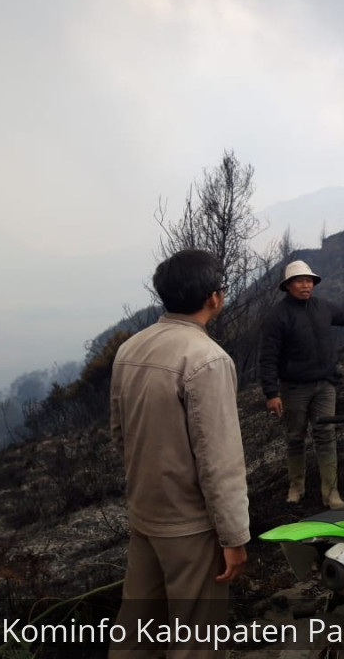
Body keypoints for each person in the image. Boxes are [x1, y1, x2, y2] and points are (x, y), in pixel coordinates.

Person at [109, 249, 250, 659]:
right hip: (190, 525)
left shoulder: (130, 348)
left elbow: (120, 435)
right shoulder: (207, 359)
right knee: (195, 642)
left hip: (145, 515)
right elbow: (219, 461)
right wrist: (235, 537)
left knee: (135, 630)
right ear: (214, 297)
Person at [258, 260, 344, 508]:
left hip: (325, 385)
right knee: (295, 437)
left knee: (326, 435)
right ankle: (297, 486)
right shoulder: (277, 317)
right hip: (294, 388)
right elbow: (268, 357)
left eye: (309, 281)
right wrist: (271, 393)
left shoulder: (322, 308)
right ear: (288, 285)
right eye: (299, 281)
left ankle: (331, 494)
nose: (305, 285)